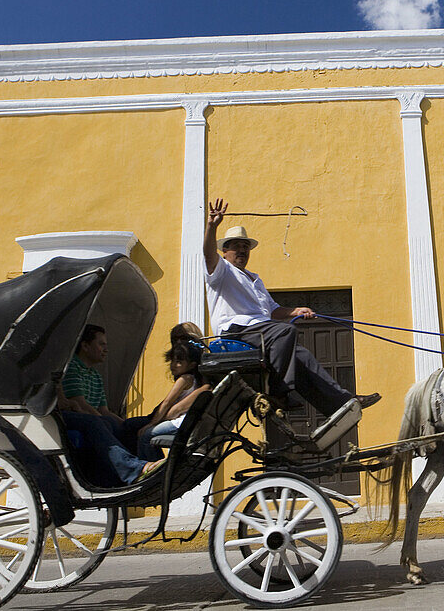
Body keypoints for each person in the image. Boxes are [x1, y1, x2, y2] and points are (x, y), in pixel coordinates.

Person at [203, 198, 380, 415]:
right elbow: (208, 255)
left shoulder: (254, 279)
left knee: (302, 356)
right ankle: (278, 393)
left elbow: (273, 310)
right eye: (236, 247)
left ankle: (340, 404)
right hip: (237, 331)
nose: (242, 250)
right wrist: (212, 226)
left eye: (245, 247)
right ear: (225, 251)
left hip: (262, 332)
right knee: (284, 331)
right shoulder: (221, 271)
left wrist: (295, 311)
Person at [57, 324, 163, 486]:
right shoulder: (72, 367)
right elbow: (80, 403)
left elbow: (103, 410)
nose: (106, 349)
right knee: (101, 422)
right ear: (85, 346)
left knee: (134, 425)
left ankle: (154, 466)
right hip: (69, 419)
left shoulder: (96, 375)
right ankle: (134, 469)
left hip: (94, 417)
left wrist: (126, 424)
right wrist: (106, 422)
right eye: (101, 344)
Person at [135, 335, 212, 460]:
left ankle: (151, 469)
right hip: (184, 422)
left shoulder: (184, 379)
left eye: (179, 362)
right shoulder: (197, 380)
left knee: (145, 436)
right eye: (173, 361)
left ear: (192, 365)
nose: (173, 365)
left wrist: (152, 424)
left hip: (178, 423)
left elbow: (167, 402)